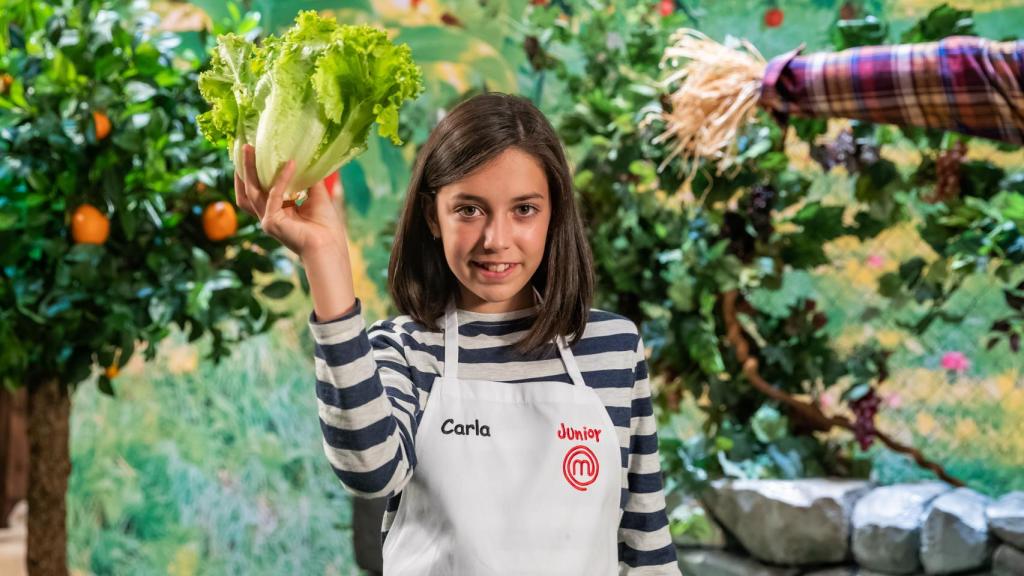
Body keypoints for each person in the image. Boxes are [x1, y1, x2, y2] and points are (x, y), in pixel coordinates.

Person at [233, 92, 681, 575]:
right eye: (469, 210)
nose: (496, 240)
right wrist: (324, 257)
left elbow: (646, 550)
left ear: (554, 213)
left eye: (524, 210)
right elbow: (369, 472)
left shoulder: (612, 348)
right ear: (433, 216)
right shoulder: (405, 350)